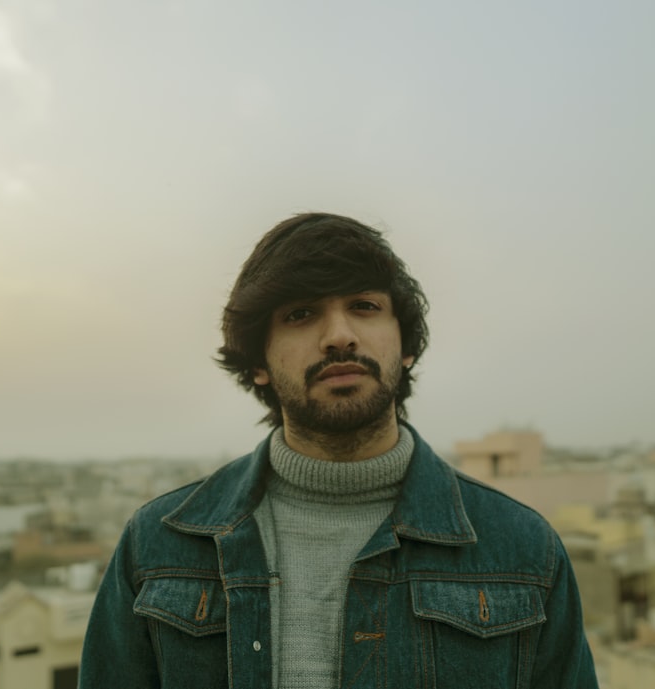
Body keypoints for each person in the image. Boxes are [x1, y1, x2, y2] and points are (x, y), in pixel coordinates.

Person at [78, 213, 599, 688]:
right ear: (258, 362)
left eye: (365, 307)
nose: (339, 336)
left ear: (407, 345)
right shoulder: (158, 546)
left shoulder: (523, 550)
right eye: (301, 314)